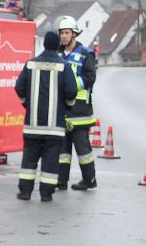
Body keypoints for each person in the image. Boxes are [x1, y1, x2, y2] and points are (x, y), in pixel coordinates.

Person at [13, 31, 77, 202]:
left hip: (32, 125)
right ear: (57, 46)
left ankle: (25, 192)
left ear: (44, 45)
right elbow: (72, 92)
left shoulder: (30, 64)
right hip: (54, 127)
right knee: (50, 160)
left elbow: (18, 87)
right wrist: (67, 107)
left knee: (29, 158)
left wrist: (26, 103)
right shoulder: (64, 66)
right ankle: (46, 194)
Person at [56, 15, 99, 192]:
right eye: (62, 33)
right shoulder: (57, 54)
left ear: (74, 34)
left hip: (80, 110)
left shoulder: (85, 54)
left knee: (83, 149)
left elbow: (90, 77)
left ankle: (89, 179)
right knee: (62, 149)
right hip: (62, 109)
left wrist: (72, 86)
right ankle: (61, 180)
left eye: (67, 33)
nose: (64, 36)